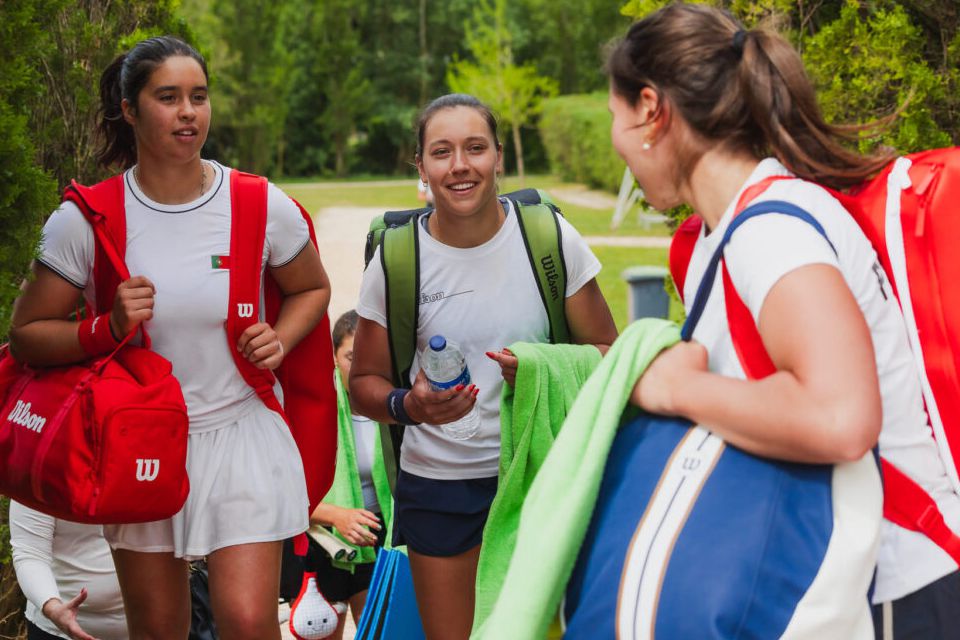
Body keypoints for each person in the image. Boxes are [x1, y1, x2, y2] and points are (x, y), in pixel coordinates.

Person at [609, 4, 960, 638]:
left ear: (651, 111)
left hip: (901, 589)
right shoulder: (733, 230)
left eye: (615, 117)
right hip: (856, 585)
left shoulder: (771, 231)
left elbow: (840, 418)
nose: (616, 143)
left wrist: (670, 387)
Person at [8, 36, 330, 640]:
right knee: (158, 631)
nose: (189, 112)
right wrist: (107, 328)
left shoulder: (260, 204)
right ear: (129, 110)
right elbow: (26, 336)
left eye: (199, 97)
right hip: (140, 441)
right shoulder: (87, 218)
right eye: (169, 97)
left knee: (246, 621)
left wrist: (280, 339)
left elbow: (312, 287)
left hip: (240, 434)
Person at [349, 92, 618, 639]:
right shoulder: (397, 259)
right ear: (420, 167)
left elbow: (609, 353)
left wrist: (543, 366)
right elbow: (362, 386)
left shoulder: (548, 238)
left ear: (499, 155)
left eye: (475, 148)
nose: (460, 165)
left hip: (541, 479)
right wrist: (411, 405)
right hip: (440, 487)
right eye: (442, 152)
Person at [280, 310, 390, 639]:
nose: (359, 367)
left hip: (378, 538)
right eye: (350, 356)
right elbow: (282, 493)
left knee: (382, 632)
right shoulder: (314, 409)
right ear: (333, 357)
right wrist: (337, 516)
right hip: (322, 540)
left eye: (368, 357)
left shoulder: (394, 406)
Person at [9, 500, 126, 640]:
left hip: (145, 627)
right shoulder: (39, 480)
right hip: (56, 630)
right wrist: (53, 608)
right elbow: (30, 552)